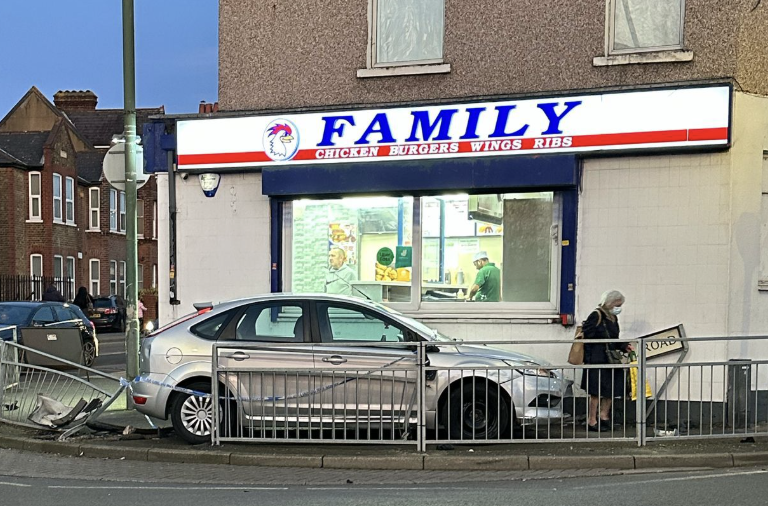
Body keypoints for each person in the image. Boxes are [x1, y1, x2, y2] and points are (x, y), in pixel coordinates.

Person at [580, 289, 631, 432]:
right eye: (617, 304)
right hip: (596, 359)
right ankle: (592, 420)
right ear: (610, 303)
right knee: (596, 391)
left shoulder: (613, 318)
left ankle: (604, 416)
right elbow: (587, 337)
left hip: (610, 359)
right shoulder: (596, 315)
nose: (619, 308)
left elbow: (614, 339)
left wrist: (623, 346)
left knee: (611, 390)